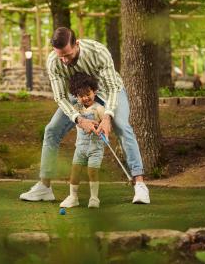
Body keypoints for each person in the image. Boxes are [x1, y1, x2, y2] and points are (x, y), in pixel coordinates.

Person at [19, 27, 150, 204]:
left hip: (108, 90)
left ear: (77, 44)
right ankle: (44, 187)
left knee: (122, 126)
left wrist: (107, 117)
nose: (64, 60)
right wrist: (79, 119)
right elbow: (60, 97)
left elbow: (112, 88)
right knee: (51, 130)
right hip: (78, 96)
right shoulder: (54, 62)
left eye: (68, 55)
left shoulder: (98, 52)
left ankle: (140, 185)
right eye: (60, 56)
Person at [60, 72, 106, 209]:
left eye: (88, 94)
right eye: (81, 96)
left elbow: (105, 126)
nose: (85, 98)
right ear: (76, 96)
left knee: (92, 172)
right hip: (80, 147)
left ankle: (94, 198)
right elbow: (77, 122)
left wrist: (99, 128)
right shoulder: (76, 109)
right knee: (75, 172)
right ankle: (73, 198)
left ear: (94, 91)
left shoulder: (99, 108)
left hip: (95, 148)